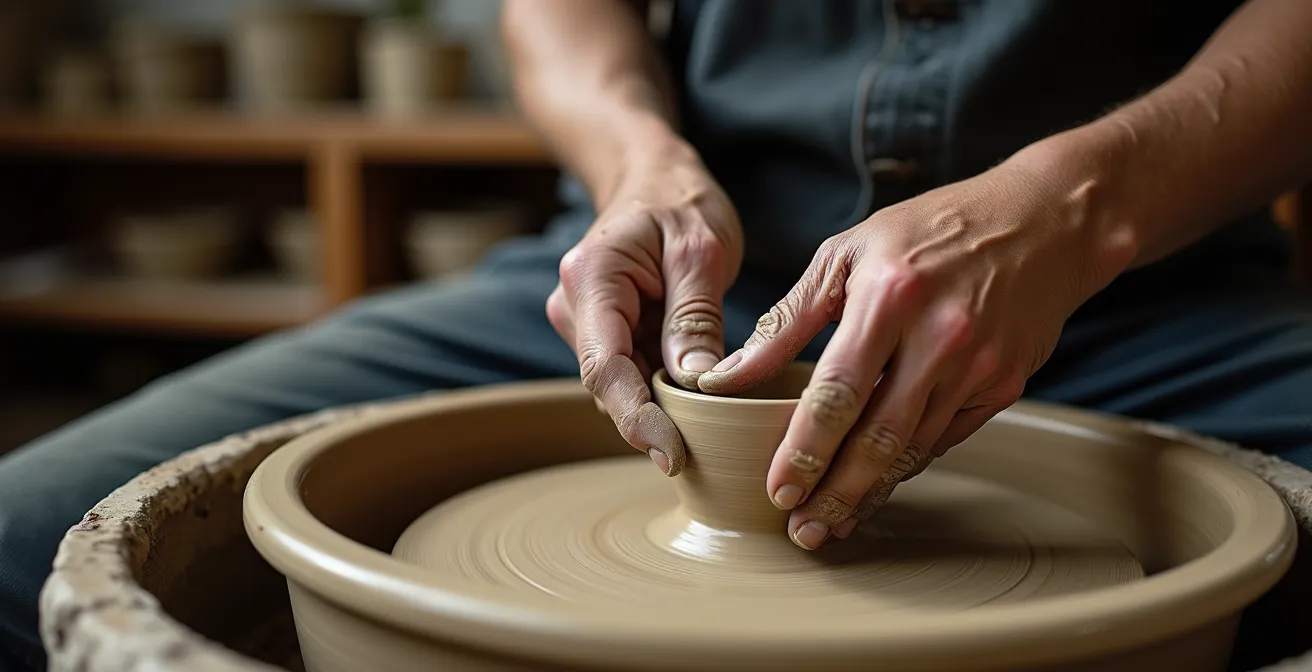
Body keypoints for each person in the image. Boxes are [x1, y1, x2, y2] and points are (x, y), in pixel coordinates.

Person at [3, 0, 1311, 668]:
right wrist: (640, 163)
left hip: (1141, 288)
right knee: (26, 542)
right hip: (650, 295)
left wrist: (1083, 209)